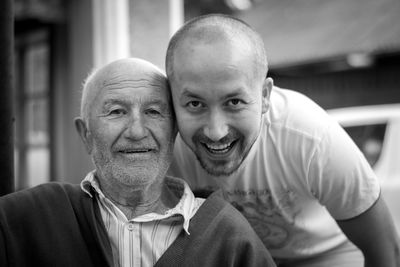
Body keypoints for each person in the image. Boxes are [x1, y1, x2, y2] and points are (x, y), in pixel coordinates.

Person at [166, 14, 400, 267]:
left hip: (328, 257)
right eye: (195, 104)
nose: (215, 131)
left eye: (234, 102)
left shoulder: (311, 138)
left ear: (265, 95)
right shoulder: (162, 147)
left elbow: (387, 252)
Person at [0, 58, 276, 267]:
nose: (136, 131)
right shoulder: (27, 218)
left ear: (175, 131)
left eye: (154, 111)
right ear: (86, 134)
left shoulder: (227, 234)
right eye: (117, 111)